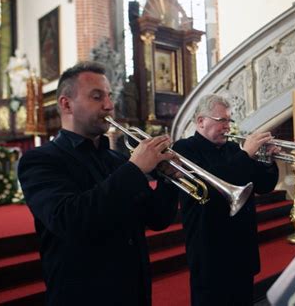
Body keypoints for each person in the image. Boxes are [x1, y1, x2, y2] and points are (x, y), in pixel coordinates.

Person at [18, 61, 179, 306]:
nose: (109, 105)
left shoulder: (116, 160)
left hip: (134, 292)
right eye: (97, 97)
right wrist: (134, 170)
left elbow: (157, 219)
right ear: (66, 103)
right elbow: (69, 219)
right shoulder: (39, 160)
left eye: (109, 96)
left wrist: (168, 179)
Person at [172, 94, 279, 305]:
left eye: (229, 120)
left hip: (241, 248)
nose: (228, 126)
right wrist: (246, 155)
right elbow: (208, 187)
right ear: (201, 121)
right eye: (222, 120)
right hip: (210, 250)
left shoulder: (234, 149)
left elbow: (264, 186)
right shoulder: (184, 149)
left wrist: (268, 162)